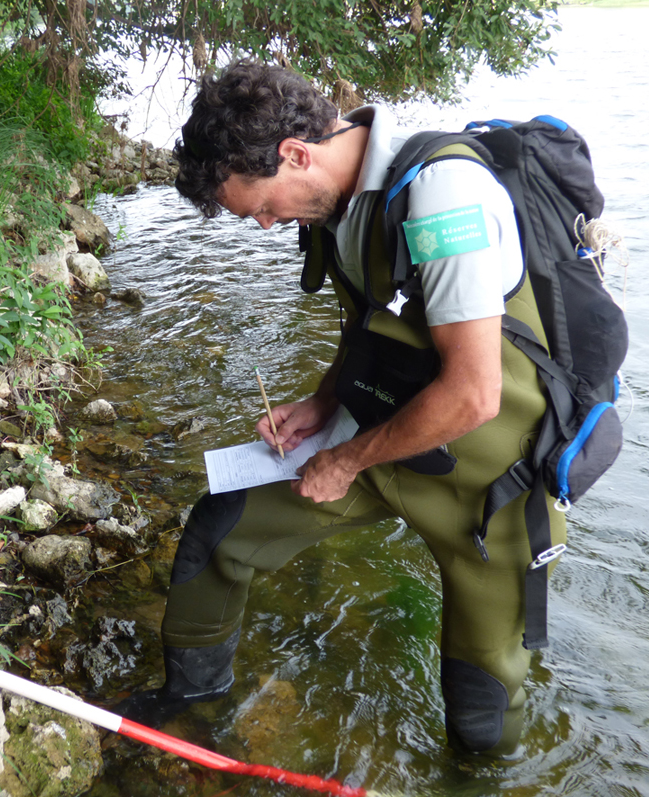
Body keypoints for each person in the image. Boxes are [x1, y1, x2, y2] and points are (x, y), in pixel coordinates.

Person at [120, 60, 567, 757]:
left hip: (488, 477)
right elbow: (372, 323)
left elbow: (474, 391)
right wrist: (323, 402)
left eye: (262, 207)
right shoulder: (336, 204)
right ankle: (189, 708)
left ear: (295, 154)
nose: (267, 226)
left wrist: (344, 458)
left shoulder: (443, 195)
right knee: (220, 526)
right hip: (386, 439)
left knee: (479, 701)